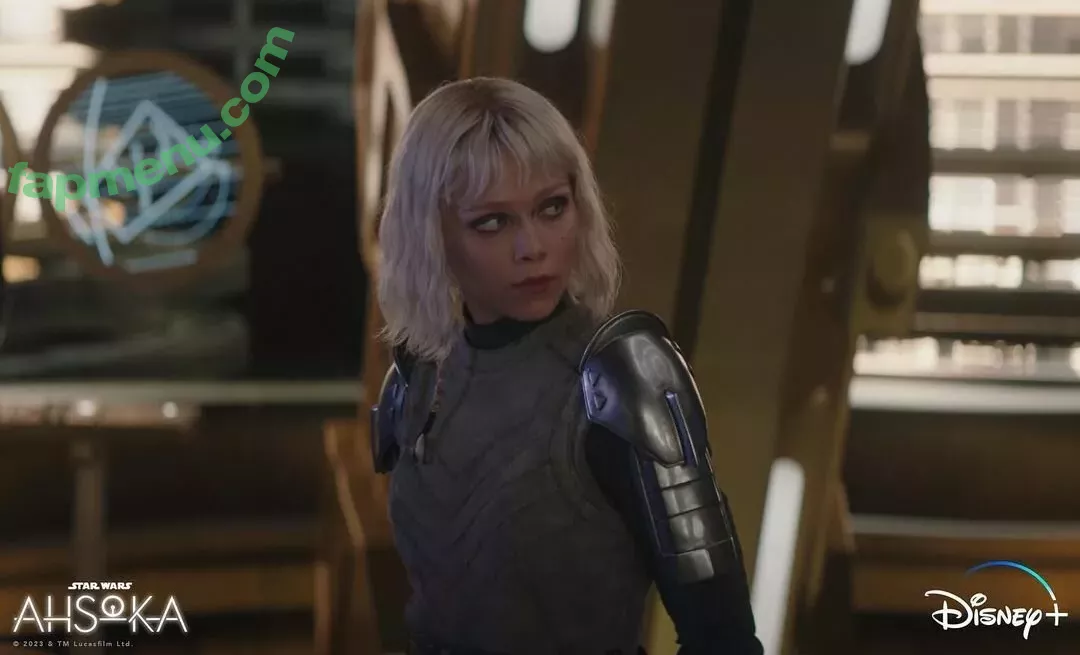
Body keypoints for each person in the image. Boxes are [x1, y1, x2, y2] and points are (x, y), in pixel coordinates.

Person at [371, 77, 763, 655]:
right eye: (492, 222)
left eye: (551, 207)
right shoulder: (415, 382)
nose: (533, 247)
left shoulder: (621, 378)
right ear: (432, 233)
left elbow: (723, 637)